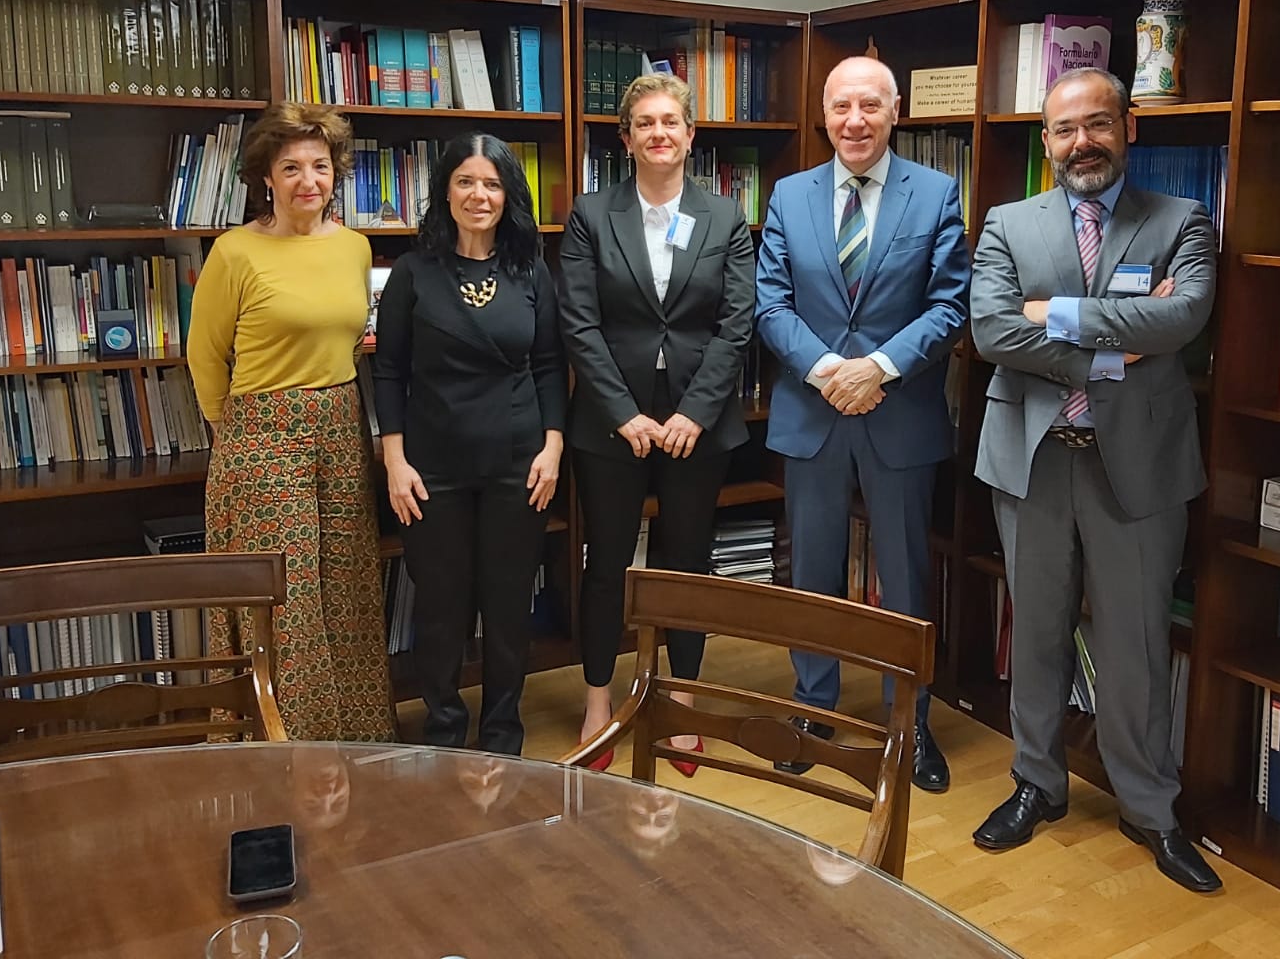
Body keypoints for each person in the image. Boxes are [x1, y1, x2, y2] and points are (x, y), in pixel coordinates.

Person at [967, 66, 1220, 893]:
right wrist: (1114, 348)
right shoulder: (1008, 223)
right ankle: (1035, 785)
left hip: (1137, 471)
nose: (1083, 143)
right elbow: (994, 330)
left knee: (1137, 644)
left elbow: (1183, 318)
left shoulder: (1182, 220)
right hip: (1033, 461)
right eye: (1066, 129)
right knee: (1034, 632)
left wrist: (1056, 314)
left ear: (1127, 128)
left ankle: (1151, 808)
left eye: (1098, 124)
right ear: (1046, 141)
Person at [754, 55, 968, 792]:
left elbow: (948, 307)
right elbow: (771, 305)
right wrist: (829, 373)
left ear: (895, 109)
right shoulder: (789, 194)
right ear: (823, 112)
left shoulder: (937, 194)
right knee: (811, 575)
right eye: (842, 107)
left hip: (897, 412)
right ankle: (812, 709)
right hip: (814, 413)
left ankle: (909, 723)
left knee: (906, 576)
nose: (855, 121)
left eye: (870, 106)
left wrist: (875, 368)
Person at [560, 72, 756, 776]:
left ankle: (678, 701)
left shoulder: (726, 218)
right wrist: (627, 415)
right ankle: (596, 699)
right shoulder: (591, 214)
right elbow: (579, 324)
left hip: (695, 427)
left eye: (670, 121)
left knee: (687, 561)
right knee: (606, 561)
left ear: (691, 135)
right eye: (644, 123)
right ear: (626, 138)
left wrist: (693, 415)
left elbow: (736, 328)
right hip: (612, 424)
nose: (659, 133)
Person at [189, 102, 393, 742]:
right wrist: (234, 433)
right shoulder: (235, 251)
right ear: (267, 178)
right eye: (292, 167)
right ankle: (285, 744)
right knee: (285, 594)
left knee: (348, 584)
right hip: (261, 432)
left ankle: (357, 738)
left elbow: (355, 340)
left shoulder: (356, 249)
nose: (309, 180)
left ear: (336, 174)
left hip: (340, 423)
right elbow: (204, 355)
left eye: (321, 166)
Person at [372, 133, 565, 755]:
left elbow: (550, 364)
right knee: (442, 606)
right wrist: (394, 461)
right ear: (445, 190)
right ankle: (444, 731)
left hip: (519, 462)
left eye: (491, 183)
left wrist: (553, 446)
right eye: (465, 181)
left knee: (509, 605)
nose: (478, 195)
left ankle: (504, 731)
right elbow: (389, 371)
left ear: (508, 194)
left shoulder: (531, 268)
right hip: (431, 469)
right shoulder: (412, 272)